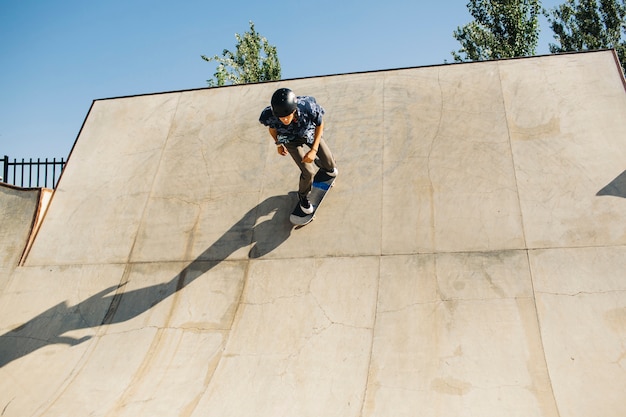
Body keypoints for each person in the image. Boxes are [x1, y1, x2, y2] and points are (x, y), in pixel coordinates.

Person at [259, 88, 338, 214]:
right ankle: (302, 197)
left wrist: (314, 150)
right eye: (281, 118)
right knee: (308, 171)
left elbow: (320, 124)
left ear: (294, 110)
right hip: (289, 140)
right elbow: (272, 129)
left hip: (308, 132)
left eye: (287, 116)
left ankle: (323, 164)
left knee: (331, 166)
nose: (284, 120)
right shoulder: (269, 115)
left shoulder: (308, 106)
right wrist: (278, 144)